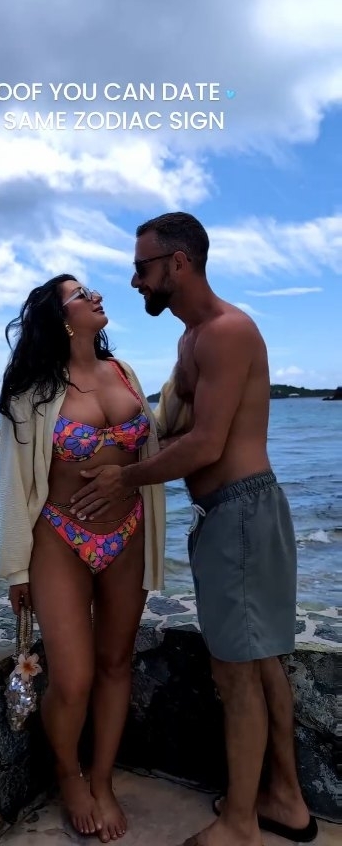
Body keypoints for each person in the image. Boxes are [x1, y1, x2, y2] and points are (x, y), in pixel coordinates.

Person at [69, 213, 317, 846]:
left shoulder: (227, 332)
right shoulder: (192, 340)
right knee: (260, 664)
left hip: (241, 513)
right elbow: (179, 430)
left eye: (142, 268)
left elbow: (207, 445)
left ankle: (239, 825)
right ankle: (286, 801)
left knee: (237, 674)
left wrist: (126, 480)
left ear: (177, 263)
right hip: (229, 517)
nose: (134, 281)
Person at [0, 274, 165, 843]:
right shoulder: (33, 392)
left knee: (116, 663)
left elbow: (154, 438)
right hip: (59, 537)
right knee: (72, 679)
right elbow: (15, 483)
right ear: (61, 318)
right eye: (80, 295)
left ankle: (103, 779)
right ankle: (69, 776)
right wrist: (16, 569)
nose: (95, 296)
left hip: (128, 531)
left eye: (91, 290)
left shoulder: (124, 373)